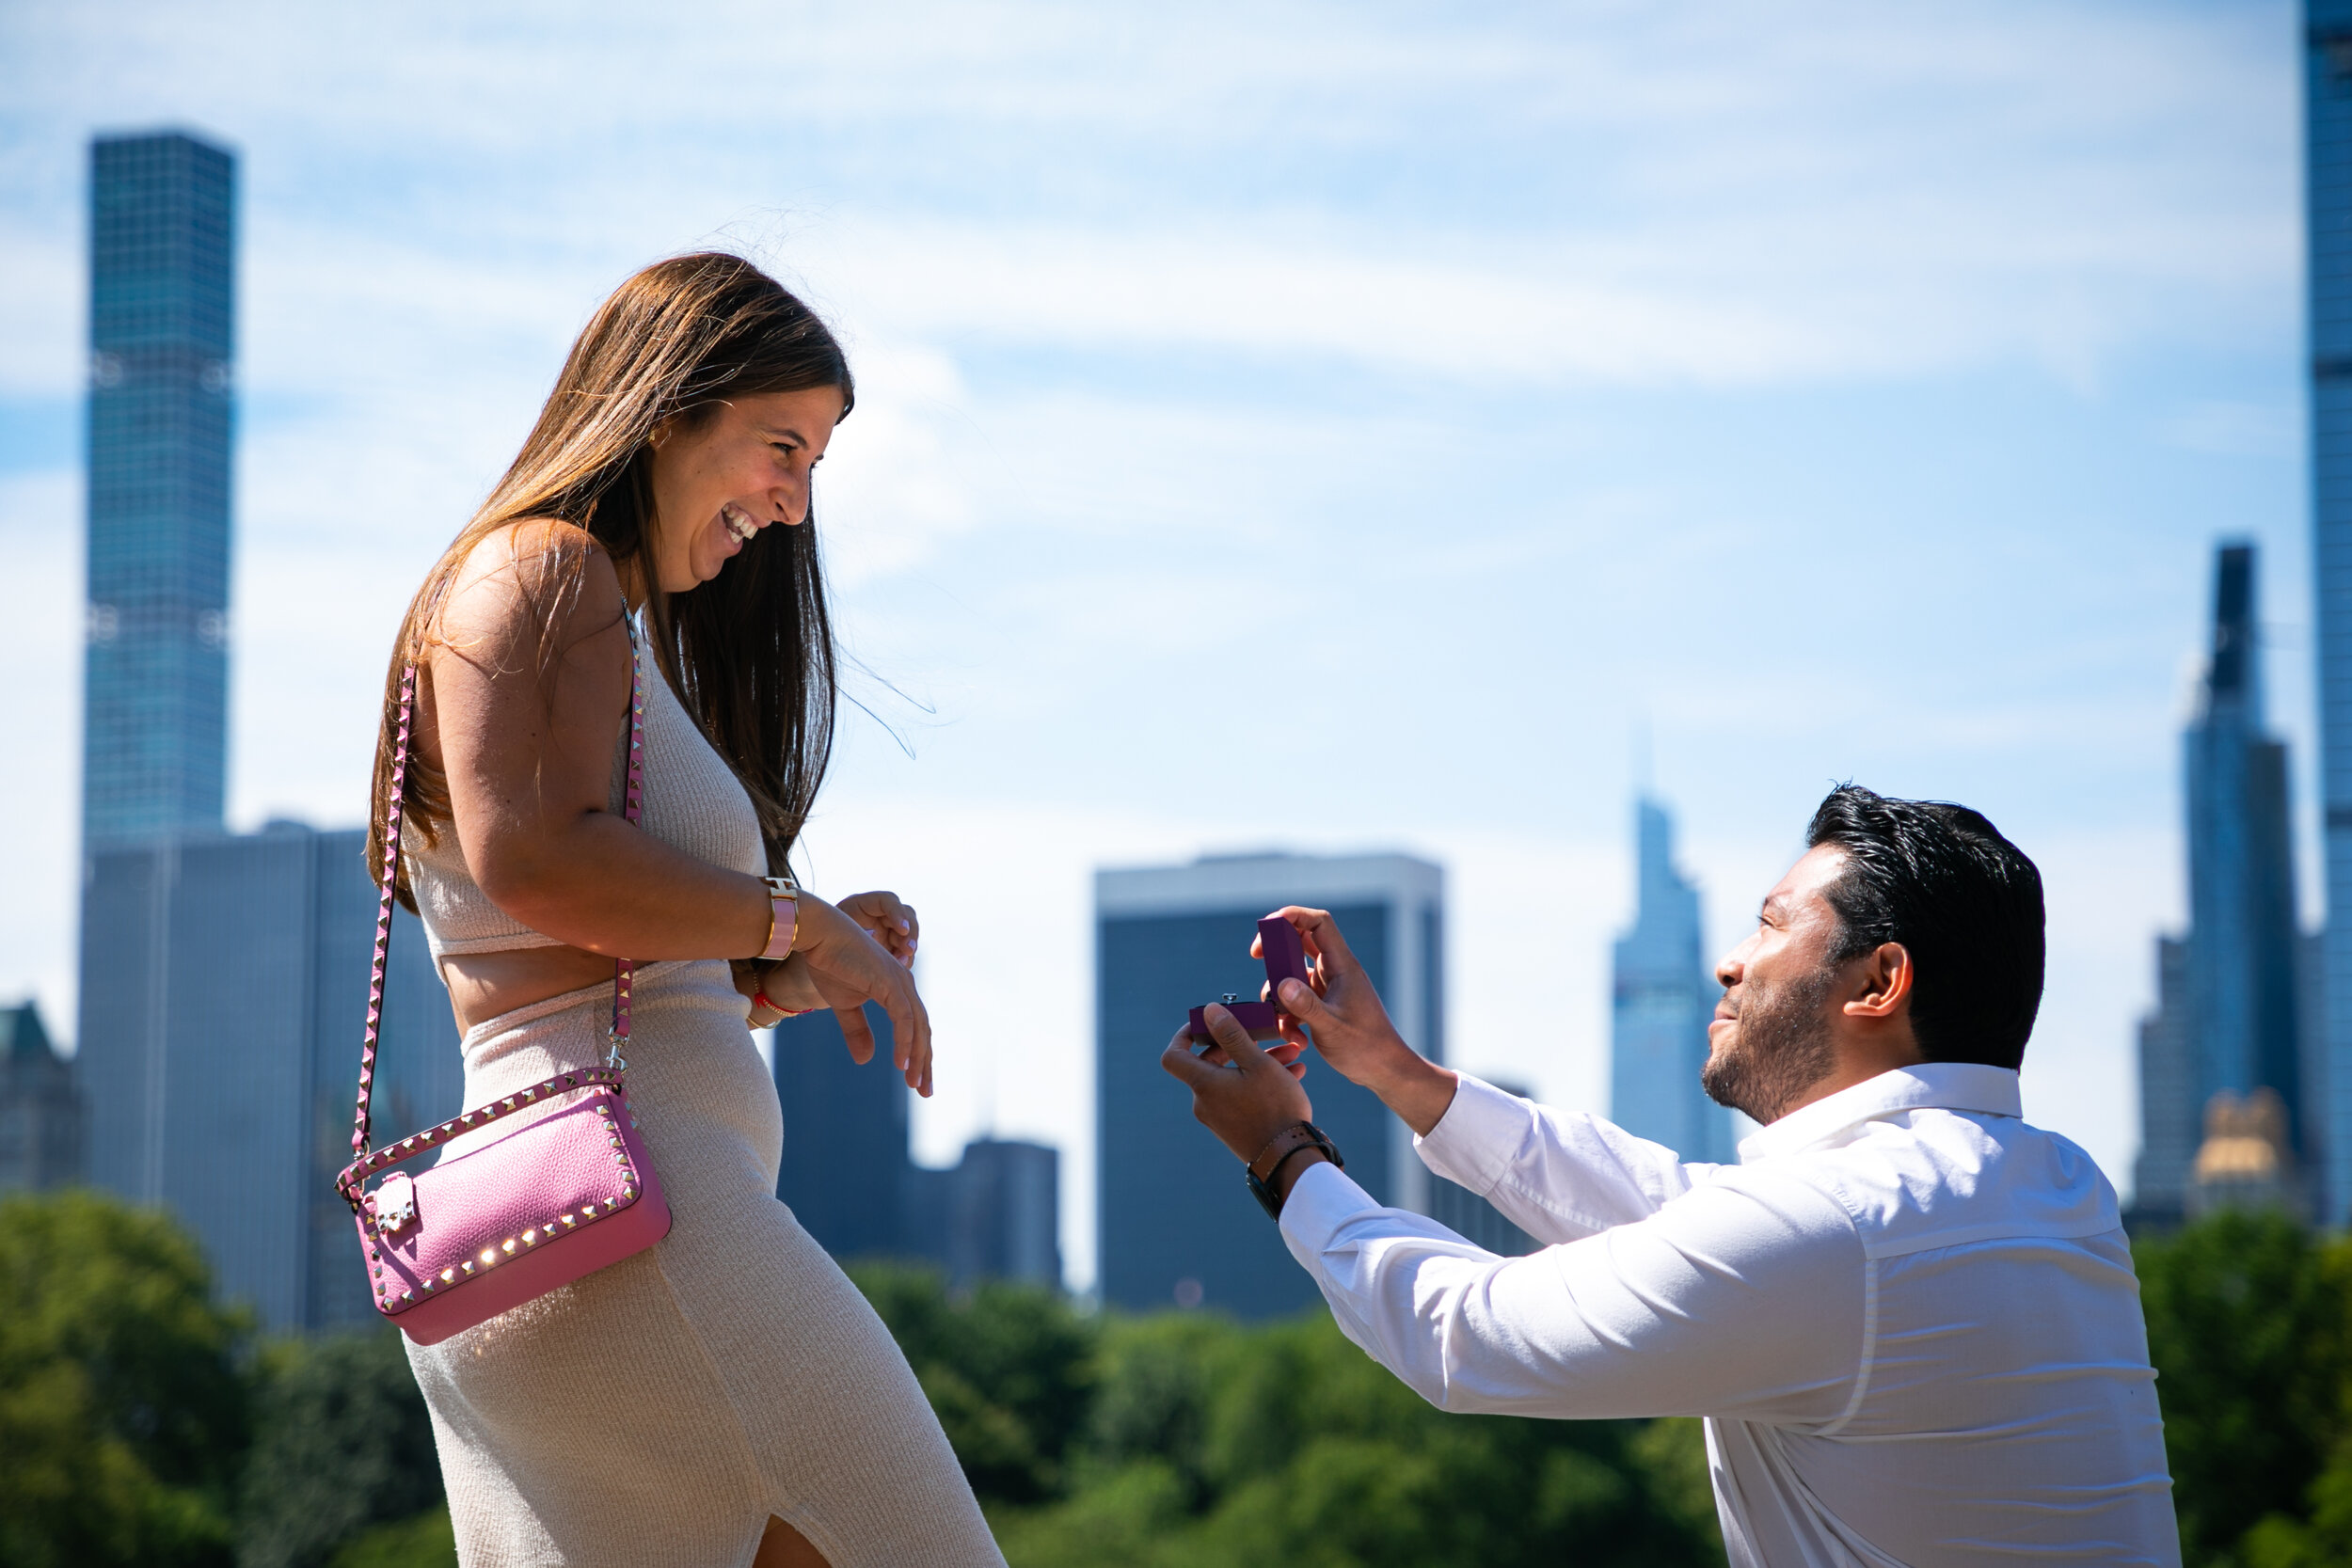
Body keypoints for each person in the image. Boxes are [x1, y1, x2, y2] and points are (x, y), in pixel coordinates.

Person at [372, 253, 1003, 1567]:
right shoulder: (546, 568)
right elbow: (533, 858)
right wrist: (791, 920)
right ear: (667, 409)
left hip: (582, 1231)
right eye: (782, 444)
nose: (795, 498)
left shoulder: (576, 608)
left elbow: (565, 956)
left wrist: (770, 979)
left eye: (818, 462)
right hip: (650, 1231)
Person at [1162, 785, 2180, 1566]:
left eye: (1774, 924)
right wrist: (1399, 1071)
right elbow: (1683, 1217)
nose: (1731, 961)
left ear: (1879, 979)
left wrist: (1284, 1155)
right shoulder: (2052, 1184)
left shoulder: (1841, 1228)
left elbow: (1461, 1334)